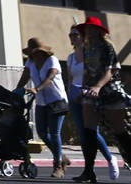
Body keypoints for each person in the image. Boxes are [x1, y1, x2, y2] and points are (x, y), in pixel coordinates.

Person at [71, 16, 131, 183]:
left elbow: (109, 71)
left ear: (99, 30)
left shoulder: (107, 47)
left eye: (91, 28)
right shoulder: (86, 47)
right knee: (88, 130)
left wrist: (98, 86)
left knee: (119, 131)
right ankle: (89, 171)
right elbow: (86, 71)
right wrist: (83, 90)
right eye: (86, 28)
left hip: (110, 89)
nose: (88, 31)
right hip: (92, 91)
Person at [17, 37, 70, 178]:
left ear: (42, 52)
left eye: (36, 52)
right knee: (41, 132)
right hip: (41, 102)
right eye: (32, 53)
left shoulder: (52, 61)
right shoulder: (30, 62)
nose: (34, 55)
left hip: (56, 101)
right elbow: (25, 76)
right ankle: (61, 156)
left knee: (54, 133)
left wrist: (37, 89)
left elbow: (50, 77)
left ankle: (58, 166)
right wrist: (16, 91)